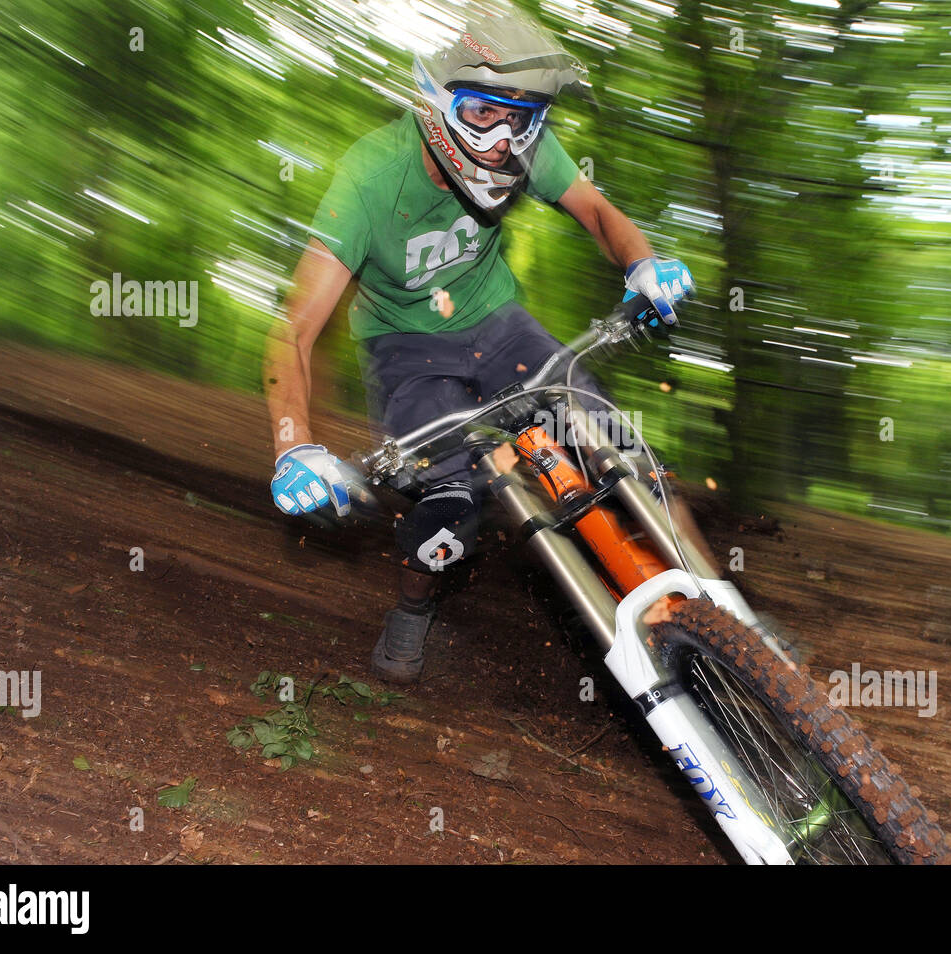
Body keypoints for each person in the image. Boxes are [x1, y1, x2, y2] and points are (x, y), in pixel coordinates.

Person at [263, 6, 694, 684]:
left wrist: (642, 263)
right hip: (404, 345)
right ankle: (412, 609)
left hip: (499, 324)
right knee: (448, 509)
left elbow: (598, 211)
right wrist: (295, 445)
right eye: (484, 116)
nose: (504, 142)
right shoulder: (372, 176)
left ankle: (724, 610)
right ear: (436, 108)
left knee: (618, 440)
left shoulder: (520, 142)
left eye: (521, 121)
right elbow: (293, 328)